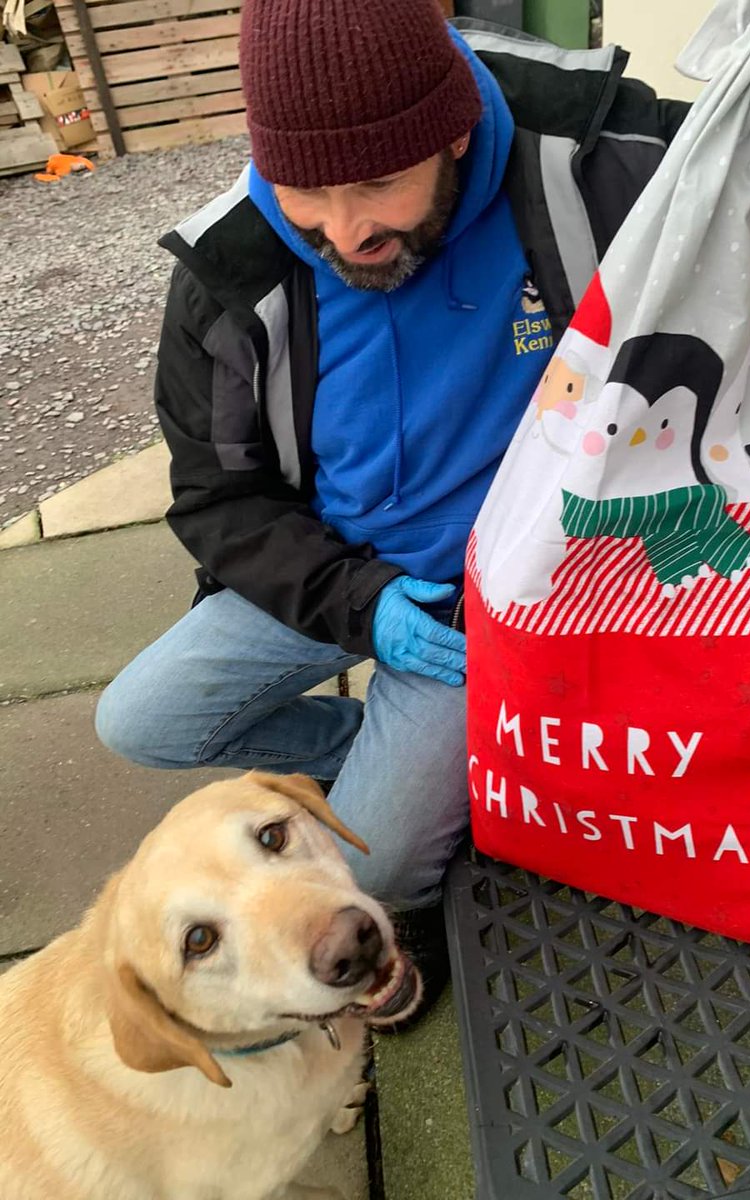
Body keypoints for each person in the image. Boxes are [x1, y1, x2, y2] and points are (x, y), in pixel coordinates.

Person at [95, 0, 688, 1020]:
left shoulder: (597, 154)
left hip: (498, 592)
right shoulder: (229, 274)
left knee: (369, 866)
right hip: (341, 571)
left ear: (453, 128)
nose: (345, 229)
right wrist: (361, 607)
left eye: (378, 181)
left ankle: (437, 786)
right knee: (138, 722)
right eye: (305, 191)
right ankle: (464, 760)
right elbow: (217, 499)